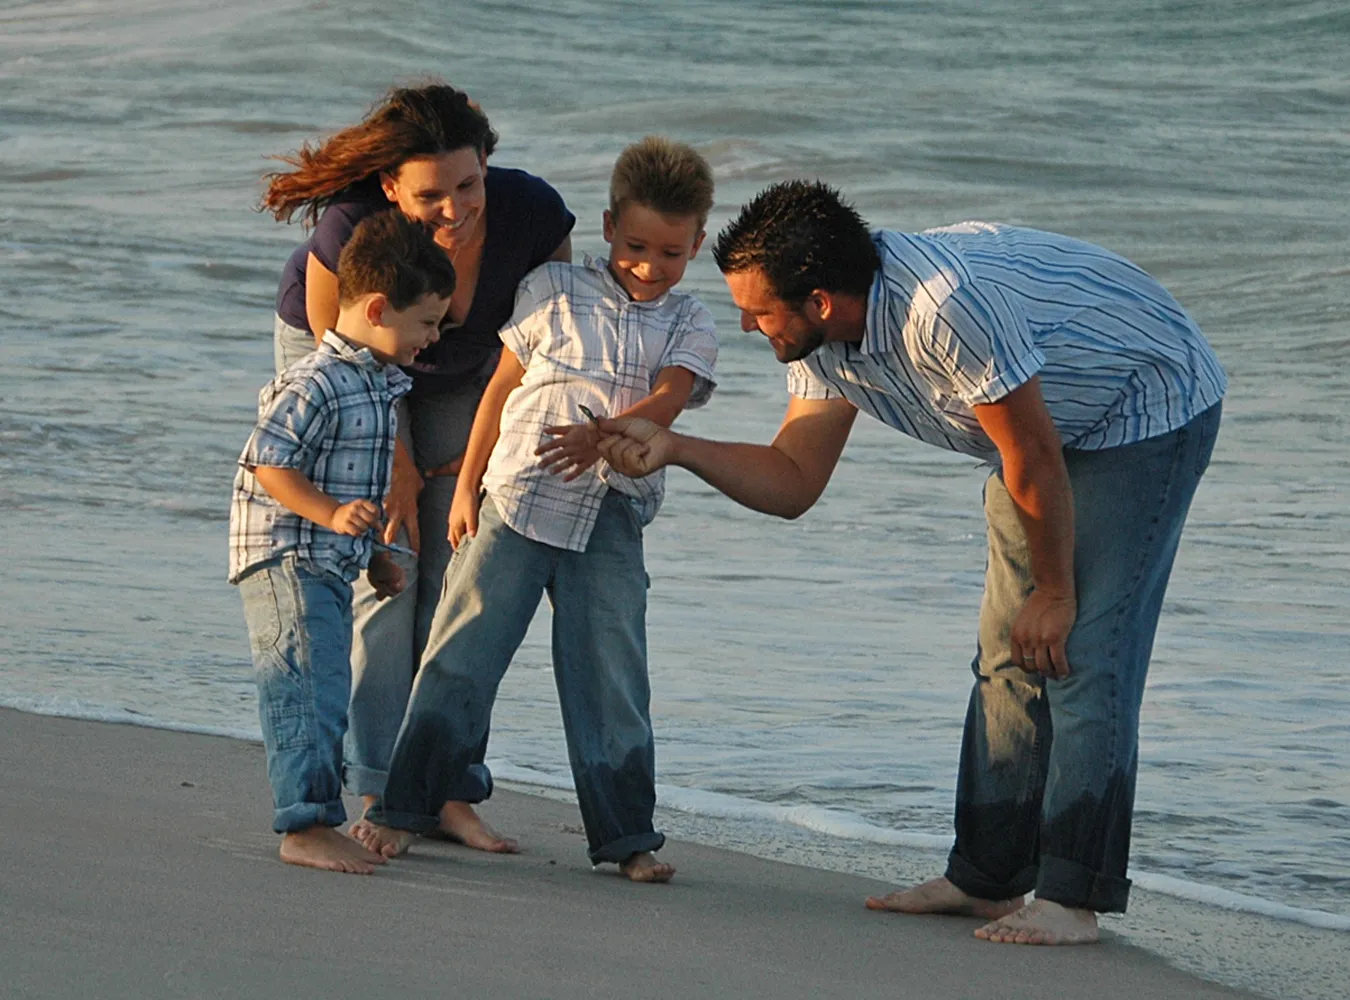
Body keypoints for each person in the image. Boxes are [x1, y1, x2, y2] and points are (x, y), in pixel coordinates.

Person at [597, 181, 1226, 937]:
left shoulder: (941, 311)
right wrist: (676, 447)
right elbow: (793, 481)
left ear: (819, 301)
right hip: (1041, 431)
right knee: (1008, 653)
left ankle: (1073, 899)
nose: (744, 324)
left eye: (758, 311)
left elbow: (1032, 454)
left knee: (1082, 652)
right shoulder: (822, 344)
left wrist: (1056, 591)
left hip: (1145, 401)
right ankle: (987, 879)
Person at [353, 137, 719, 882]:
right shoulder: (552, 288)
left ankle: (628, 839)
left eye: (671, 253)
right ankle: (401, 811)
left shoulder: (691, 321)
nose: (649, 266)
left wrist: (602, 435)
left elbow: (670, 400)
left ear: (698, 245)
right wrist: (466, 487)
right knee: (460, 656)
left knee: (611, 676)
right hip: (516, 499)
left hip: (611, 513)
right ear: (610, 226)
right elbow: (500, 388)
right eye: (636, 246)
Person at [260, 82, 575, 851]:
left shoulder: (533, 214)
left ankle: (444, 788)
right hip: (347, 364)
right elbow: (347, 363)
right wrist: (395, 463)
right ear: (390, 187)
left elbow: (549, 348)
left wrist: (482, 459)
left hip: (470, 372)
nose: (454, 210)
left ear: (487, 164)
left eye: (468, 185)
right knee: (388, 568)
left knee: (460, 569)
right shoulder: (349, 229)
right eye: (430, 195)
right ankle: (380, 790)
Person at [229, 212, 455, 874]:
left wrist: (376, 557)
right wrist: (331, 515)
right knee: (306, 690)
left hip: (326, 561)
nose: (433, 338)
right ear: (378, 309)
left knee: (326, 688)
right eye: (427, 323)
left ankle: (315, 815)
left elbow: (353, 485)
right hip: (284, 555)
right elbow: (268, 462)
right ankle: (305, 824)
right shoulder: (319, 379)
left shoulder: (375, 385)